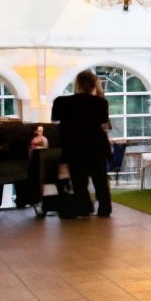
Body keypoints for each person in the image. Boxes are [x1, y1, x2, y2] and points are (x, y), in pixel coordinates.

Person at [51, 69, 114, 217]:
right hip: (95, 145)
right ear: (94, 84)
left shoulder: (61, 101)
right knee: (100, 179)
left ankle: (84, 206)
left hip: (73, 145)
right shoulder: (100, 103)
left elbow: (55, 120)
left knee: (79, 180)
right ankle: (105, 208)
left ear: (77, 83)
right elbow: (103, 122)